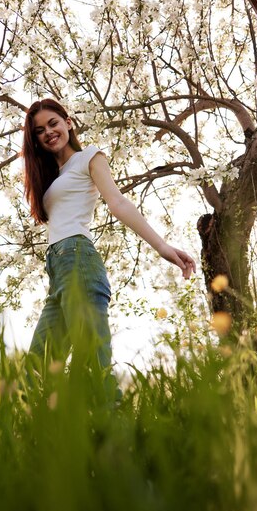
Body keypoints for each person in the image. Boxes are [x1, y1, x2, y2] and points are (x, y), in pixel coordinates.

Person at [22, 98, 196, 389]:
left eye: (53, 123)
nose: (48, 132)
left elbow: (117, 202)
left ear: (68, 122)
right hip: (59, 269)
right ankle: (50, 431)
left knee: (93, 364)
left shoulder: (89, 156)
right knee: (38, 367)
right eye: (39, 130)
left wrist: (162, 246)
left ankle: (116, 431)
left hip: (78, 260)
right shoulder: (53, 175)